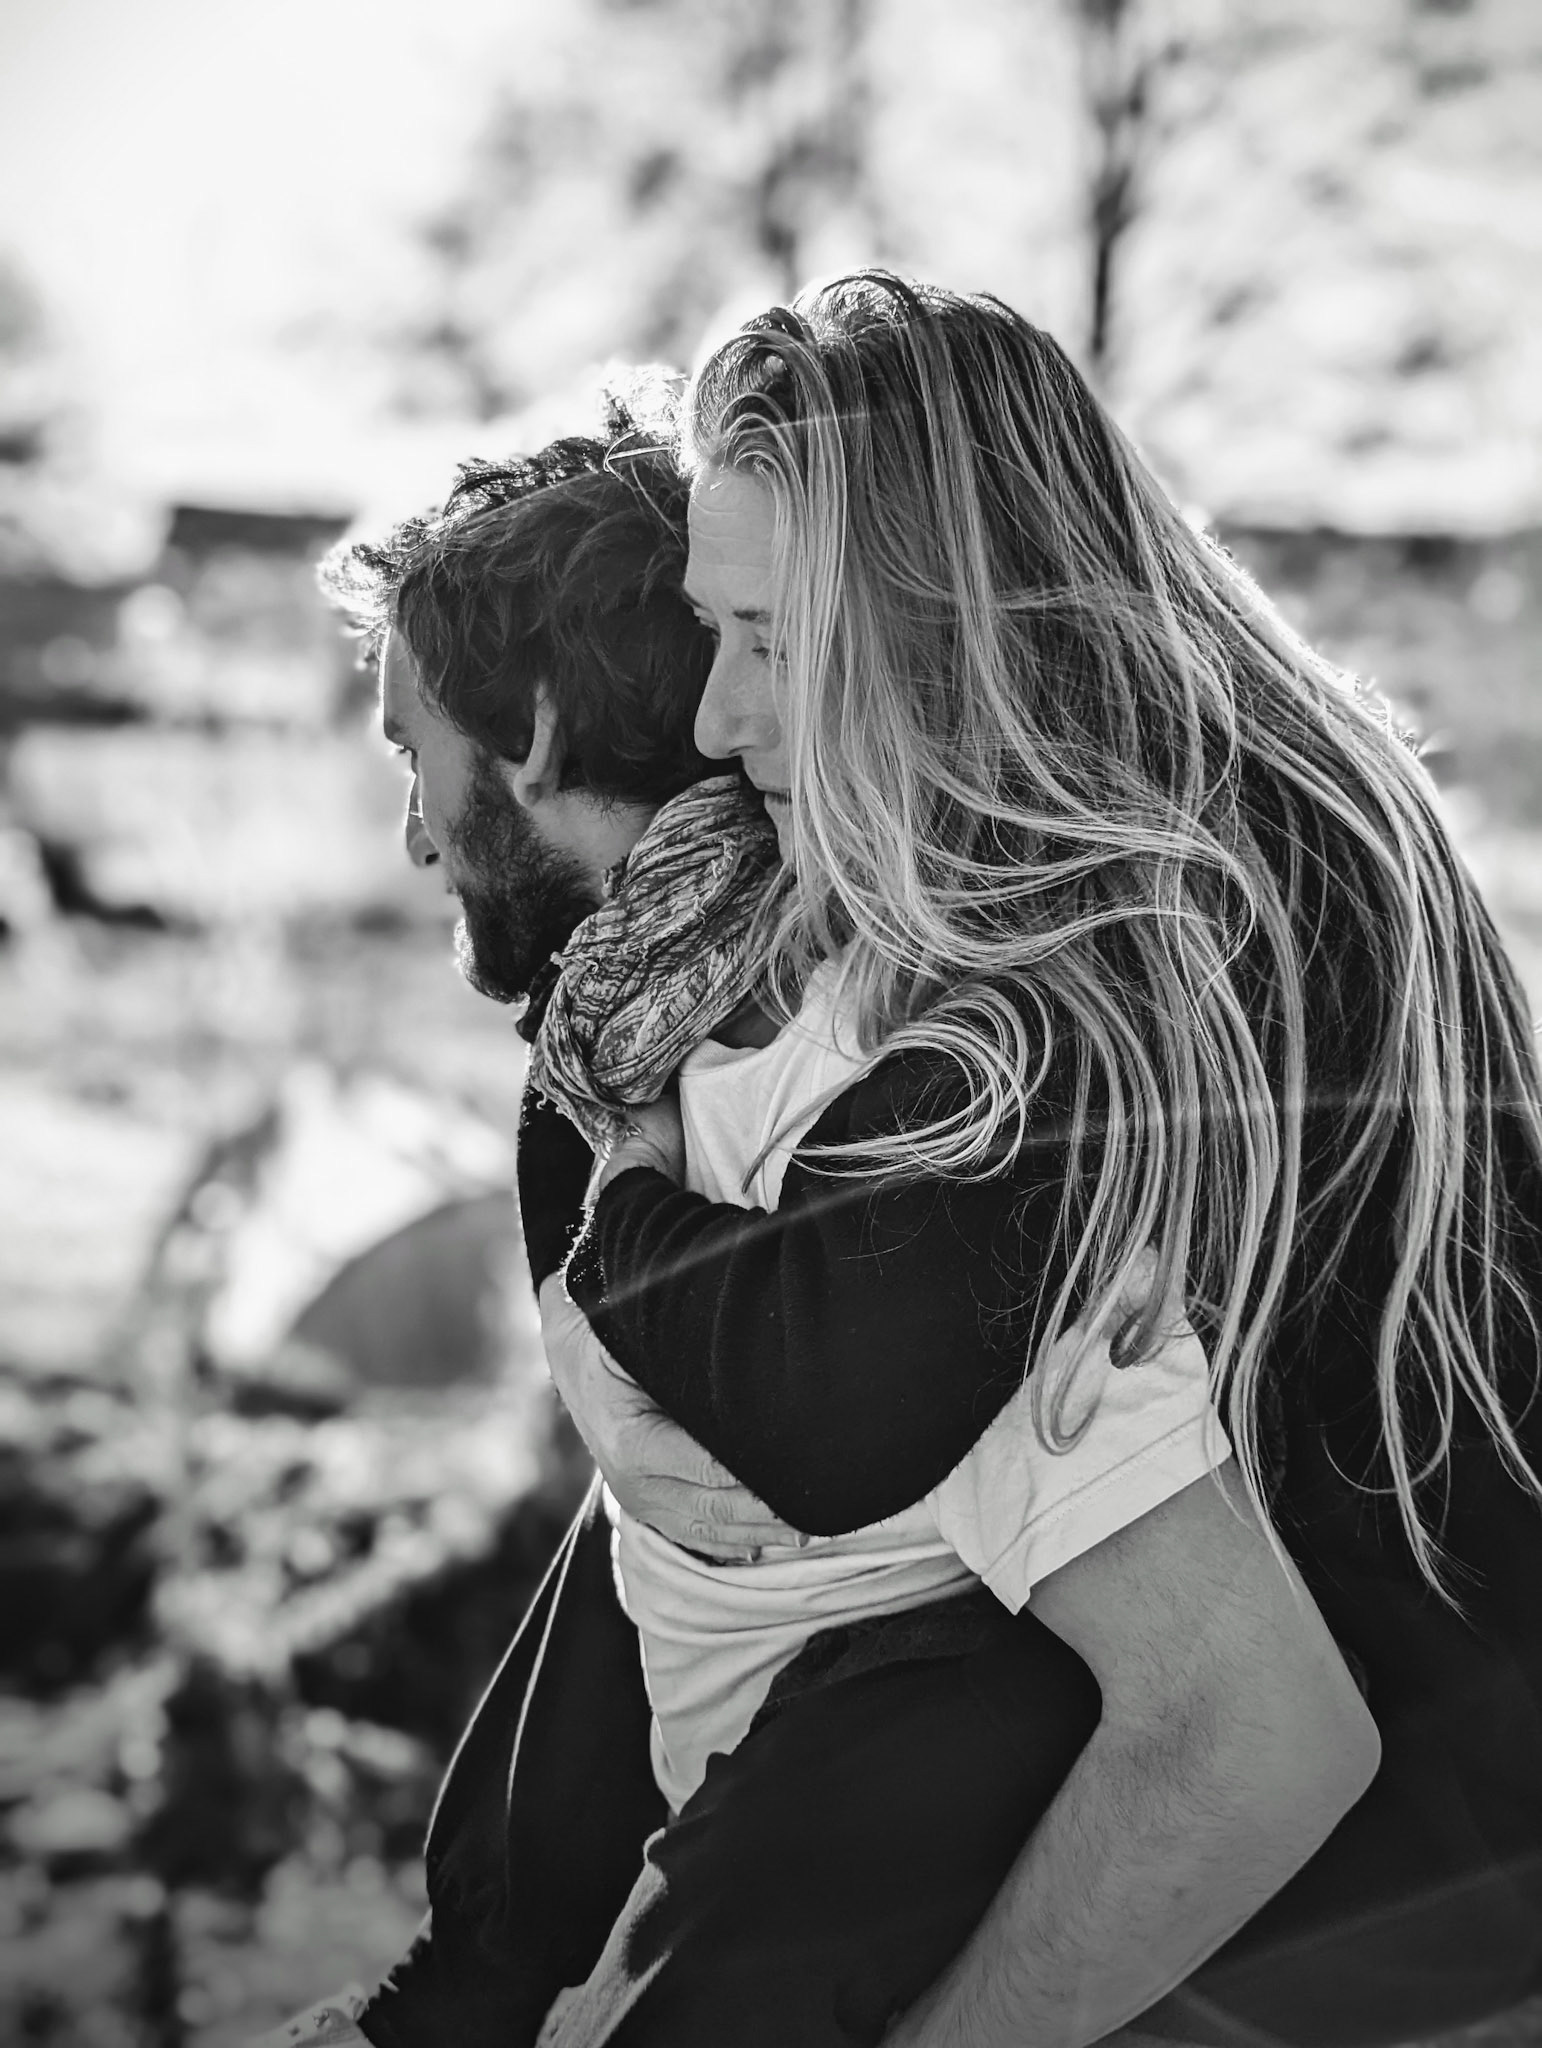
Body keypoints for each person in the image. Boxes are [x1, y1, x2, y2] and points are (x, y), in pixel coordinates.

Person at [545, 272, 1542, 2046]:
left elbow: (821, 1402)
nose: (717, 717)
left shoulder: (1134, 916)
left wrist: (610, 1219)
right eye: (714, 630)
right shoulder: (1232, 769)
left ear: (946, 620)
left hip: (1337, 1899)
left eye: (774, 640)